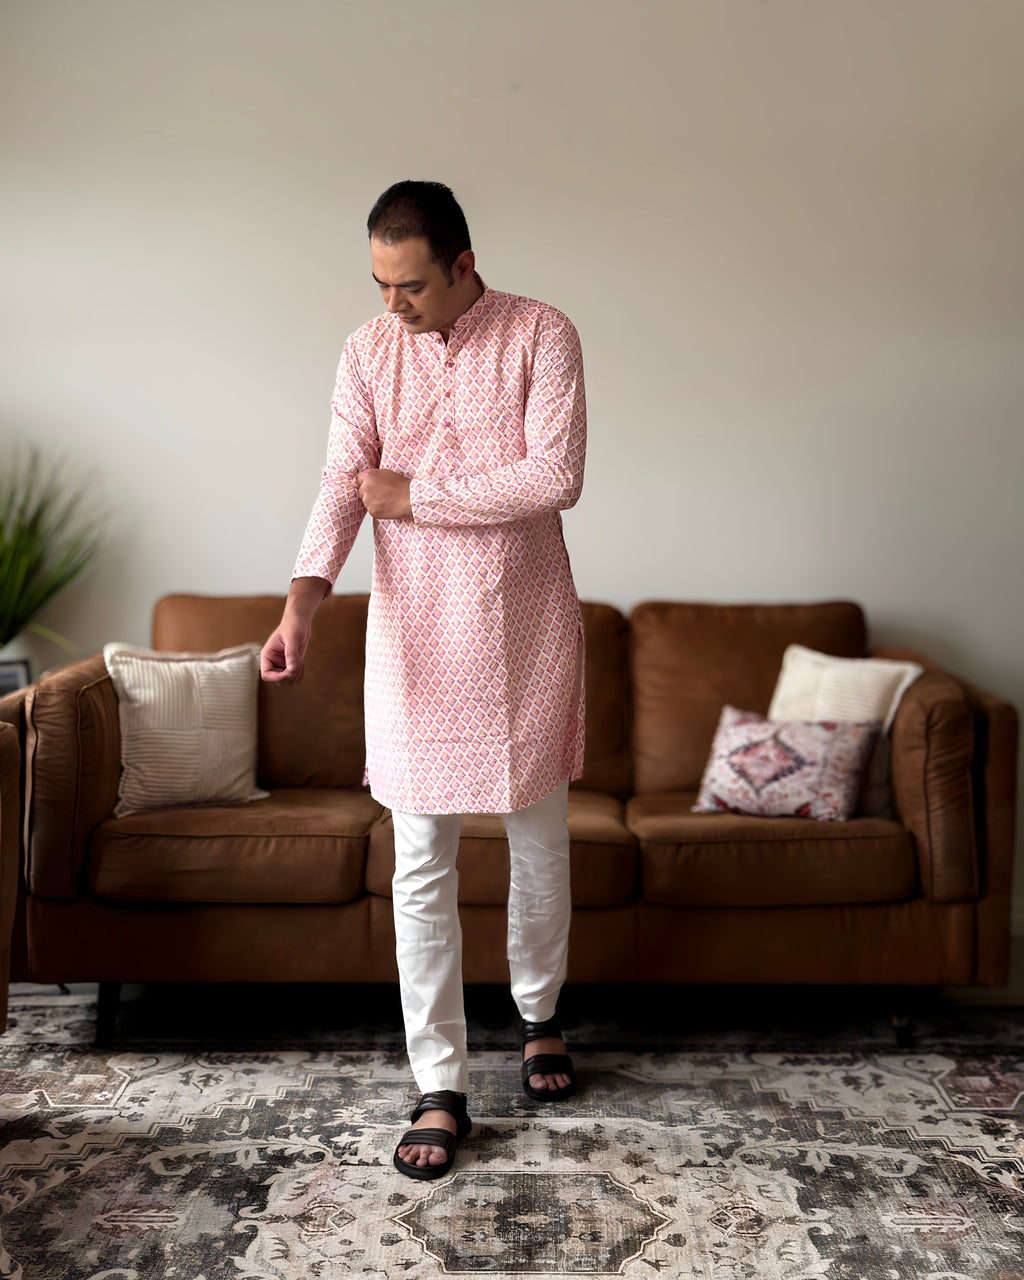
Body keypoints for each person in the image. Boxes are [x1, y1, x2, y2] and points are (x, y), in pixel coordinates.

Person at [260, 180, 586, 1181]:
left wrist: (418, 495)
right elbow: (339, 481)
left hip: (526, 635)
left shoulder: (541, 334)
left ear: (462, 265)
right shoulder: (366, 351)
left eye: (409, 284)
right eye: (379, 282)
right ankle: (438, 1078)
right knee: (420, 866)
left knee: (535, 849)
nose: (392, 303)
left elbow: (554, 475)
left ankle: (538, 1016)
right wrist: (302, 601)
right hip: (416, 640)